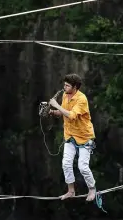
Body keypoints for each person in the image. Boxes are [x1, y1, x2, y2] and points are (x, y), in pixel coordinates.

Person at [49, 73, 97, 201]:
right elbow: (62, 112)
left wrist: (55, 105)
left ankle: (92, 189)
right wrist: (52, 112)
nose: (64, 87)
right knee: (66, 163)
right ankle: (71, 191)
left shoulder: (82, 99)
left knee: (82, 166)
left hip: (84, 137)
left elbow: (71, 115)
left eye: (67, 85)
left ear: (75, 87)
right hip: (70, 135)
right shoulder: (65, 95)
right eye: (64, 85)